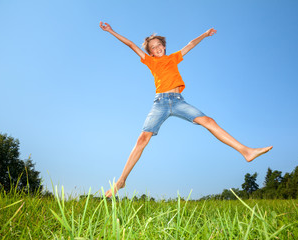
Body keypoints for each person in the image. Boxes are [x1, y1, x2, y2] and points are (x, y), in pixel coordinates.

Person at [99, 22, 273, 198]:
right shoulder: (150, 61)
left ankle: (246, 151)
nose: (157, 48)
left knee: (209, 122)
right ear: (150, 52)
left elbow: (190, 44)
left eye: (159, 45)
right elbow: (131, 44)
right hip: (160, 102)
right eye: (153, 47)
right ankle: (121, 181)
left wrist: (205, 34)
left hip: (178, 101)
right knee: (143, 139)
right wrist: (111, 31)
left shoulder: (173, 57)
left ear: (164, 47)